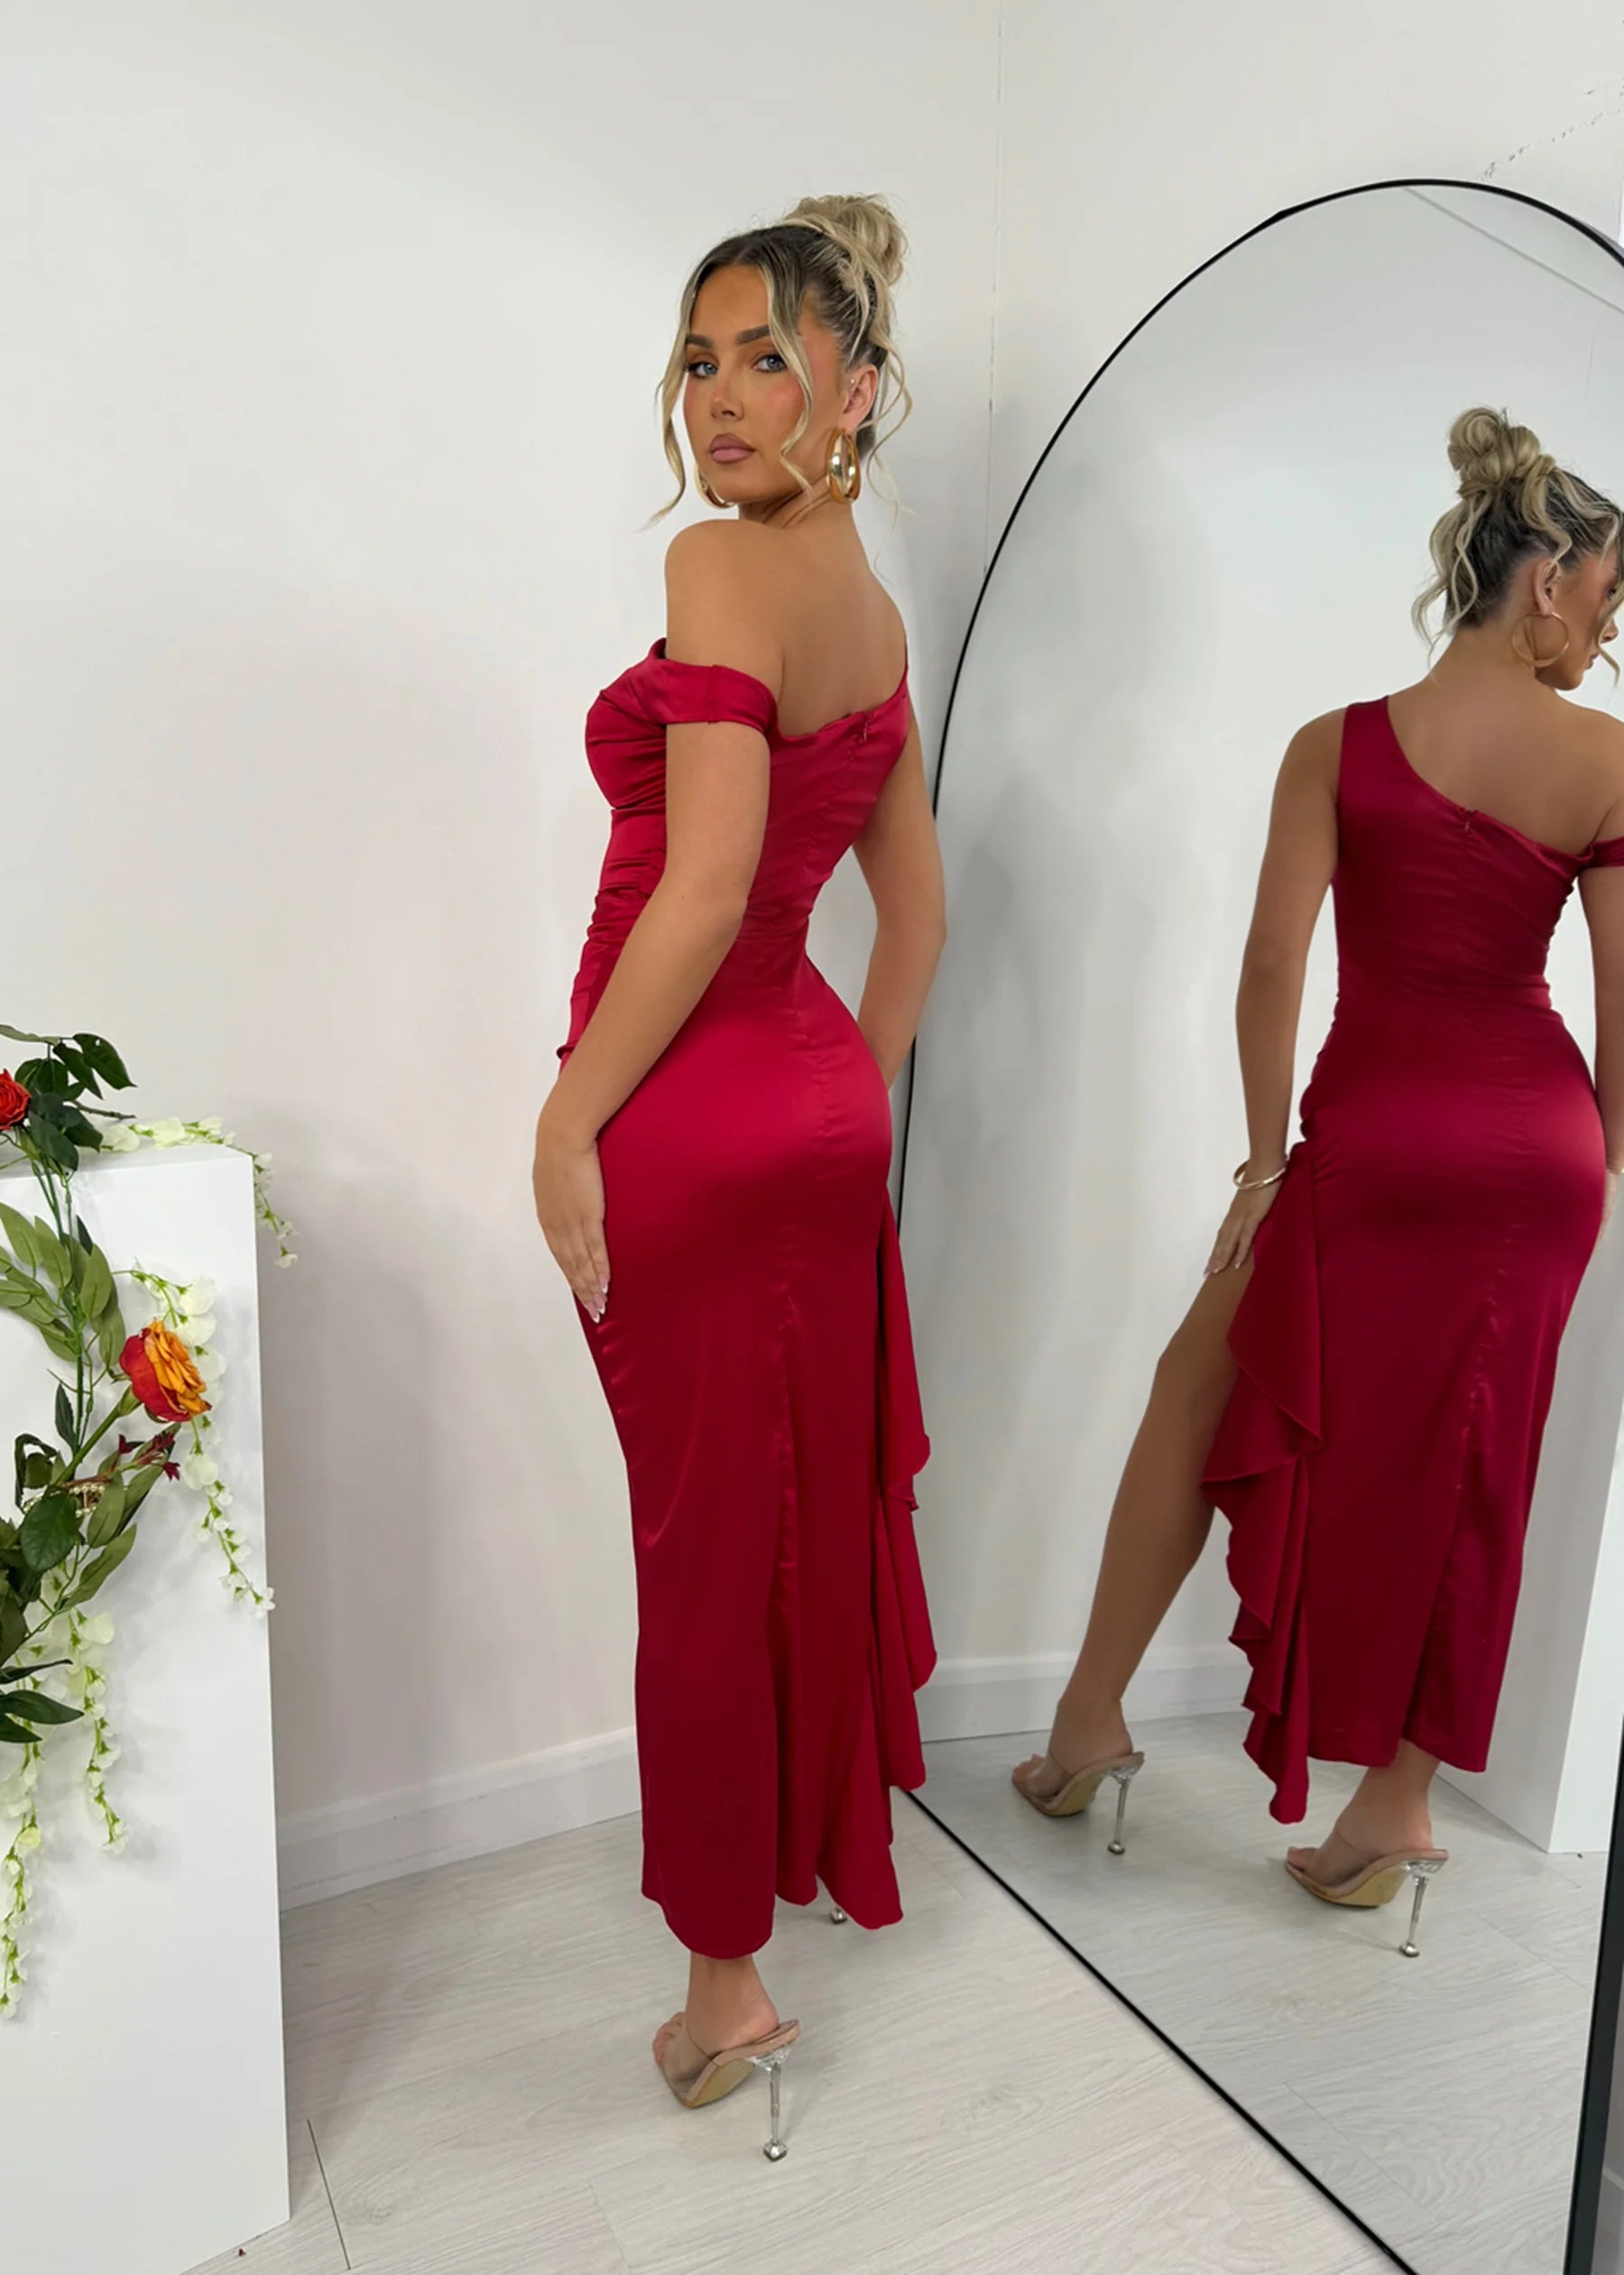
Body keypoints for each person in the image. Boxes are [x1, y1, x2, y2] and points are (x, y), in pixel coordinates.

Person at [1012, 406, 1624, 1955]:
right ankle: (1394, 1802)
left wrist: (1266, 1154)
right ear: (1546, 576)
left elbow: (1272, 965)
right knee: (1475, 1461)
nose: (1607, 634)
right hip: (1538, 1154)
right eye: (1609, 595)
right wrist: (1597, 1172)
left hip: (1373, 1133)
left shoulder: (1335, 745)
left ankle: (1088, 1723)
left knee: (1198, 1387)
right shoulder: (1612, 764)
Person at [532, 193, 946, 2143]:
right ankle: (771, 1906)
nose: (717, 398)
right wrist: (835, 1107)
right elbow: (917, 919)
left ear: (855, 390)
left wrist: (568, 1117)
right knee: (780, 1524)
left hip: (689, 1118)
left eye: (766, 358)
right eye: (698, 360)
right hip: (809, 1116)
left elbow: (701, 892)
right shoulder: (874, 615)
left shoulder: (716, 569)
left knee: (704, 1552)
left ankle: (725, 1990)